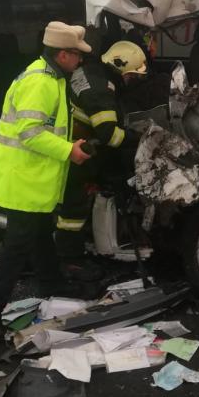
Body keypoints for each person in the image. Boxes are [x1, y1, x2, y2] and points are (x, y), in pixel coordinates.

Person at [0, 21, 92, 342]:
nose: (80, 60)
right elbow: (30, 133)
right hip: (22, 181)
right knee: (16, 249)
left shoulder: (49, 76)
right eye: (77, 54)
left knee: (40, 233)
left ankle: (52, 283)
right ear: (62, 55)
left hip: (29, 180)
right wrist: (69, 151)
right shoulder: (41, 82)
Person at [56, 40, 147, 277]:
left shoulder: (93, 71)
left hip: (71, 145)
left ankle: (72, 252)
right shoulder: (100, 90)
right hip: (75, 152)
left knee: (72, 206)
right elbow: (109, 135)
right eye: (131, 75)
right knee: (73, 211)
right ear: (120, 67)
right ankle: (70, 261)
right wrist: (141, 139)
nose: (131, 80)